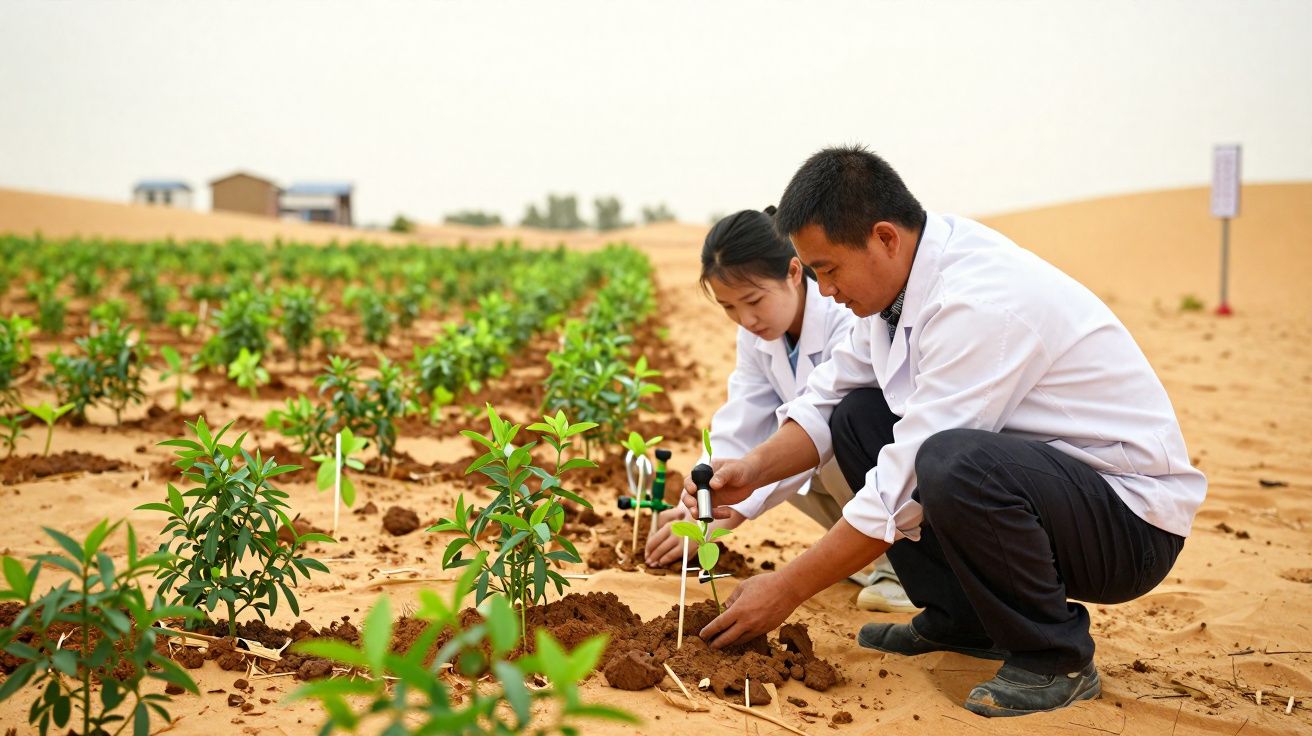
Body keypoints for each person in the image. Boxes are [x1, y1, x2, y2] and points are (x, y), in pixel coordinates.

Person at [685, 146, 1206, 717]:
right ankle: (961, 621)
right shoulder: (898, 289)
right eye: (814, 274)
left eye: (829, 269)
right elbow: (824, 397)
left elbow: (901, 485)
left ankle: (1054, 657)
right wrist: (753, 469)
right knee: (858, 417)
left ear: (885, 237)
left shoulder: (977, 302)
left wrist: (784, 589)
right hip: (1051, 489)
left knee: (951, 462)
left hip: (1127, 522)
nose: (825, 290)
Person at [644, 207, 913, 613]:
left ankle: (901, 569)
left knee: (829, 431)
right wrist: (699, 506)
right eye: (729, 308)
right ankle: (865, 557)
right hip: (842, 469)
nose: (745, 319)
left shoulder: (846, 315)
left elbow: (812, 429)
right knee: (764, 454)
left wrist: (733, 510)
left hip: (889, 459)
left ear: (792, 272)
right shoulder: (756, 335)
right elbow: (743, 417)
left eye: (753, 300)